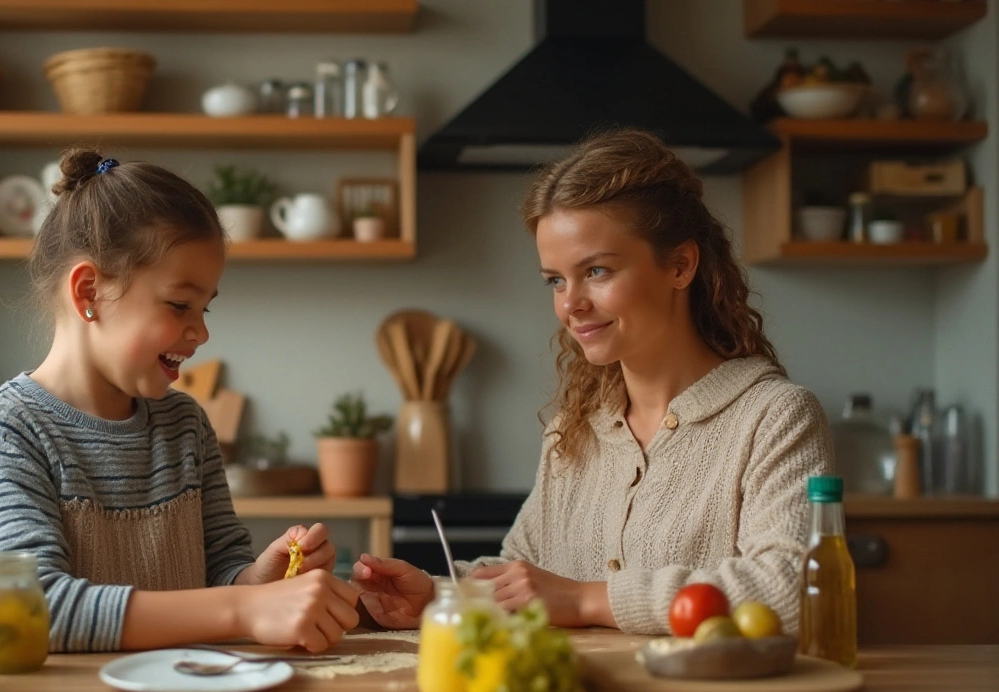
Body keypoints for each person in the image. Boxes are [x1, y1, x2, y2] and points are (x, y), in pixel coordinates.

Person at [352, 129, 833, 635]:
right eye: (555, 280)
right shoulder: (573, 430)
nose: (569, 304)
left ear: (680, 265)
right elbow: (524, 579)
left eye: (597, 271)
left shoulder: (775, 417)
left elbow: (791, 590)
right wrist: (436, 595)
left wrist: (586, 600)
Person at [0, 149, 360, 653]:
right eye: (179, 305)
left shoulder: (185, 424)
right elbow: (29, 607)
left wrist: (257, 582)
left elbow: (220, 583)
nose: (202, 331)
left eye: (205, 308)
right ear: (89, 293)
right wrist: (244, 608)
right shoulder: (7, 426)